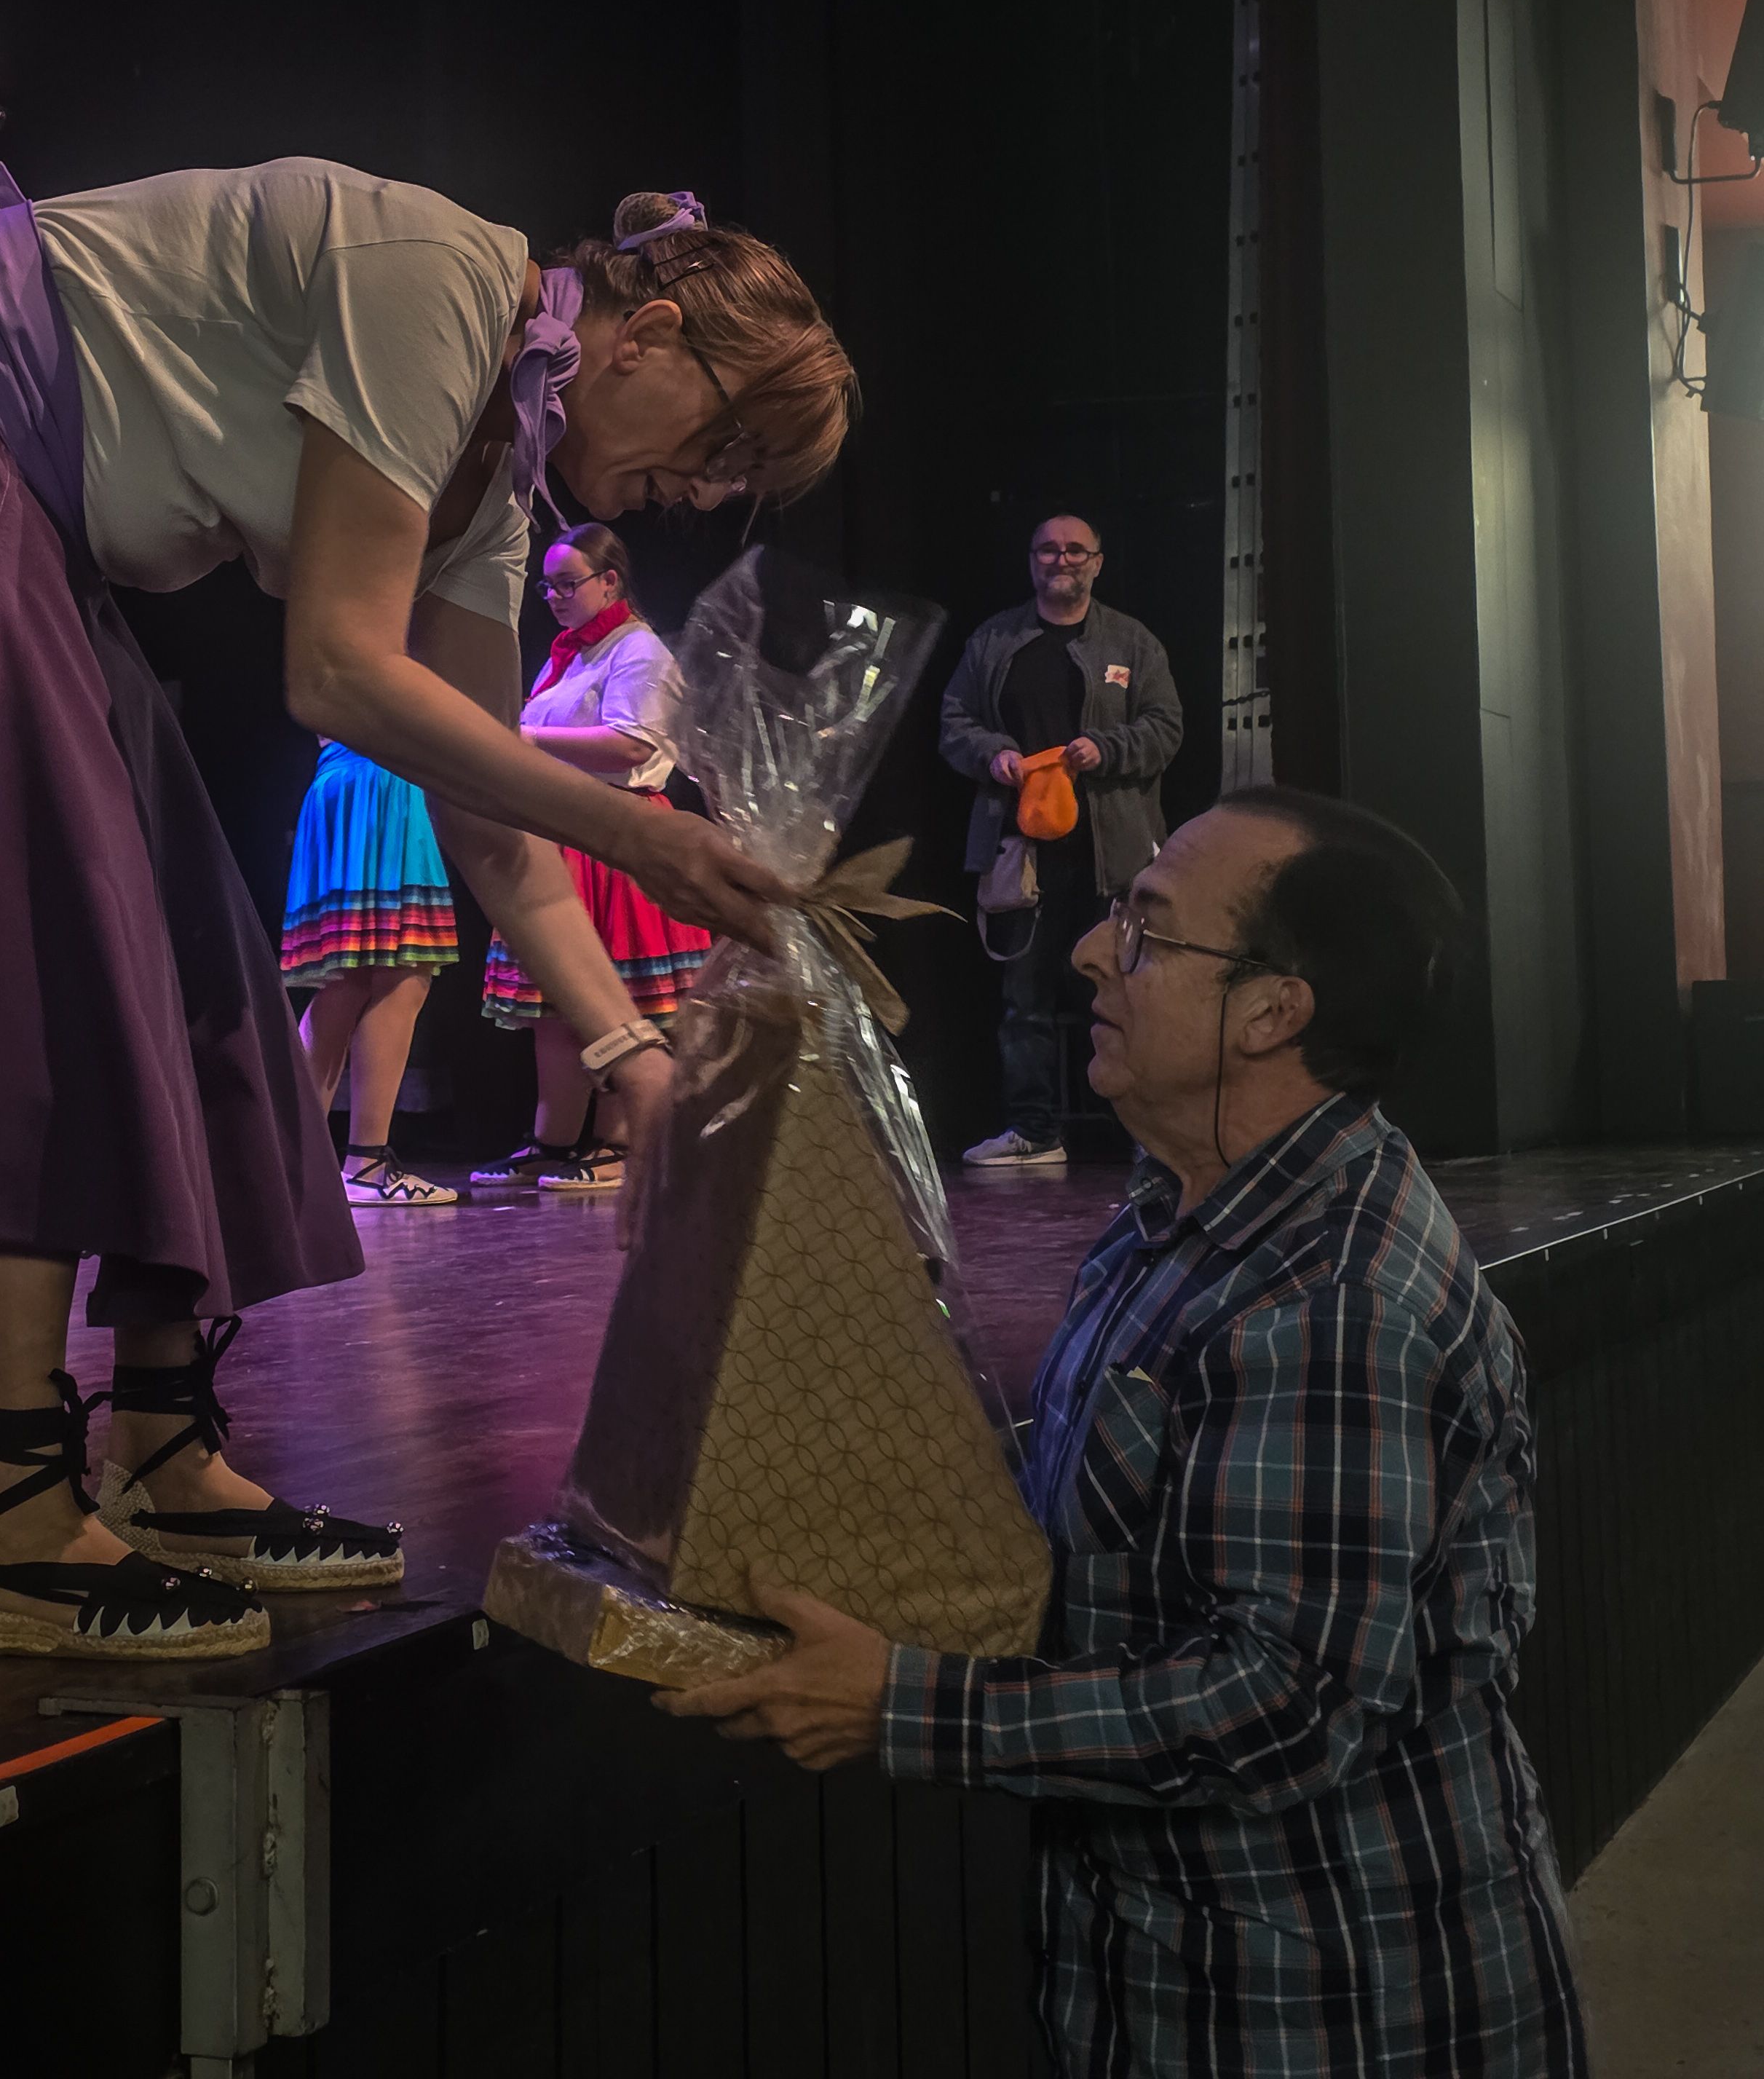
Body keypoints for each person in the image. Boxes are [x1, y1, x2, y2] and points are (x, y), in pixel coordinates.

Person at [0, 170, 852, 1659]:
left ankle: (167, 1449)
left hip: (21, 489)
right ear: (646, 333)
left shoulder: (493, 474)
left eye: (739, 476)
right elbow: (337, 670)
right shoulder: (437, 278)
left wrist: (637, 1054)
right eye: (724, 444)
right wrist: (648, 829)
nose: (702, 490)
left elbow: (494, 831)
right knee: (60, 928)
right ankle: (15, 1513)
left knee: (199, 950)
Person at [656, 789, 1589, 2079]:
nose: (1094, 952)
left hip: (1334, 2013)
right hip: (1172, 1978)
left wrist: (905, 1703)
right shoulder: (1188, 1207)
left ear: (1274, 1010)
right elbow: (1112, 1547)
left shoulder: (1332, 1301)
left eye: (1146, 933)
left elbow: (1283, 1703)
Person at [473, 524, 713, 1197]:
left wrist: (522, 735)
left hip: (616, 834)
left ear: (611, 581)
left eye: (567, 582)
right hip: (567, 832)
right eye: (546, 585)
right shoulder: (571, 654)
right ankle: (553, 1137)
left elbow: (632, 747)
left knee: (621, 994)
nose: (554, 596)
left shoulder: (638, 650)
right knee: (557, 1001)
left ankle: (616, 1140)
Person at [939, 510, 1180, 1172]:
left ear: (1098, 563)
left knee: (1127, 999)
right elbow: (953, 721)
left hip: (1116, 859)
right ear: (1032, 562)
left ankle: (1150, 1134)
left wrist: (1107, 748)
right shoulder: (996, 641)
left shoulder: (1132, 644)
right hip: (1025, 858)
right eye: (1048, 550)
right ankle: (1035, 1132)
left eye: (1077, 551)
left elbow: (1167, 729)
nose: (1062, 560)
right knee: (1026, 1002)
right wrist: (993, 755)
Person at [284, 741, 459, 1209]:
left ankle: (285, 1163)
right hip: (384, 783)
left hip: (345, 781)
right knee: (406, 972)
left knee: (347, 980)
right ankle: (365, 1163)